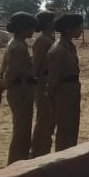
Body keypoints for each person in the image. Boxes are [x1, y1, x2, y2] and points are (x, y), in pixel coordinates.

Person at [0, 11, 38, 164]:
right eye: (30, 28)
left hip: (20, 89)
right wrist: (0, 89)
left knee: (22, 129)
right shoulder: (18, 47)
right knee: (22, 132)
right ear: (23, 29)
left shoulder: (14, 43)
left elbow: (4, 70)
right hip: (21, 91)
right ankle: (16, 163)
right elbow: (11, 74)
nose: (33, 31)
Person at [47, 12, 84, 150]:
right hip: (63, 91)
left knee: (72, 126)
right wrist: (52, 98)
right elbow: (53, 78)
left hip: (72, 89)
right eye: (78, 27)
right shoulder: (58, 50)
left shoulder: (70, 47)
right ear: (69, 29)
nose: (81, 30)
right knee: (64, 128)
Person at [29, 11, 56, 158]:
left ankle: (44, 149)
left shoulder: (49, 38)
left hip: (49, 81)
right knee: (43, 119)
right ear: (47, 23)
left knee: (50, 119)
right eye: (52, 20)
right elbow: (36, 64)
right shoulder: (42, 41)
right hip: (42, 82)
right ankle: (37, 152)